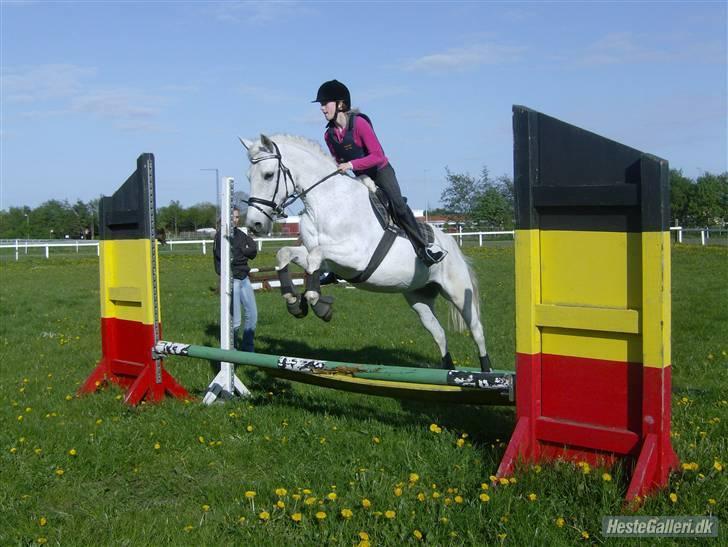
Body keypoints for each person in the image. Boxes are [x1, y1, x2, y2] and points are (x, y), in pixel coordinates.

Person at [313, 79, 447, 266]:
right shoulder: (329, 135)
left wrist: (350, 165)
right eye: (321, 104)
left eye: (325, 103)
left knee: (398, 205)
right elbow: (339, 162)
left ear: (340, 104)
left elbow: (377, 155)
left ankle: (424, 248)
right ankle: (337, 267)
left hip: (381, 171)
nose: (322, 108)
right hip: (360, 177)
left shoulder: (359, 124)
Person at [213, 207, 258, 352]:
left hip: (244, 278)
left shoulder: (241, 234)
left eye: (237, 217)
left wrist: (241, 251)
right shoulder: (221, 236)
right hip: (232, 279)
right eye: (232, 217)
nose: (235, 219)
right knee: (236, 320)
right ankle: (232, 350)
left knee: (252, 314)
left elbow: (253, 250)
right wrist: (243, 251)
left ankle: (248, 348)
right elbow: (230, 258)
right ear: (225, 217)